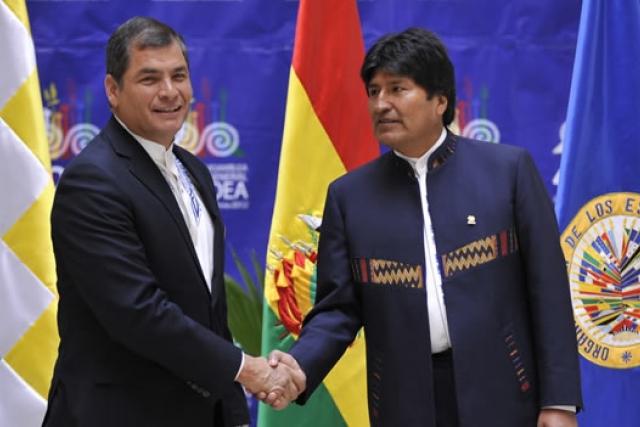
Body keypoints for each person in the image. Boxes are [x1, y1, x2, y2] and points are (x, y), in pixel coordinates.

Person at [267, 28, 582, 426]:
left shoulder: (508, 172)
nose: (382, 104)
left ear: (440, 101)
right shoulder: (350, 197)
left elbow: (548, 293)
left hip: (504, 395)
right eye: (374, 92)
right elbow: (337, 311)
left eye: (398, 89)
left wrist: (559, 402)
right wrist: (298, 366)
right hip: (403, 403)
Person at [42, 16, 302, 427]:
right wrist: (247, 369)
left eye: (178, 76)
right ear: (112, 90)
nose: (169, 91)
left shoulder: (194, 170)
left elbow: (209, 312)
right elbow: (138, 312)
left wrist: (232, 411)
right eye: (149, 79)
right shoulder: (92, 181)